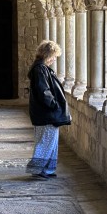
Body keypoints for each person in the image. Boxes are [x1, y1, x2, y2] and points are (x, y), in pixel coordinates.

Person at [26, 40, 71, 179]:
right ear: (47, 54)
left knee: (50, 141)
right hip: (46, 113)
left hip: (45, 113)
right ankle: (38, 170)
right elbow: (43, 90)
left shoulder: (41, 68)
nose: (53, 60)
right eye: (53, 56)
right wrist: (54, 105)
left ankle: (46, 170)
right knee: (45, 141)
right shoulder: (40, 69)